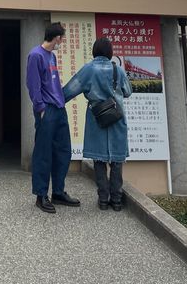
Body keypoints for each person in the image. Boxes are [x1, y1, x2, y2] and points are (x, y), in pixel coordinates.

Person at [63, 37, 132, 210]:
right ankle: (116, 200)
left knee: (98, 160)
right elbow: (128, 92)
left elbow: (69, 91)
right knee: (117, 160)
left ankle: (103, 200)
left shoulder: (88, 69)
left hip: (97, 119)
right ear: (110, 52)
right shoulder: (118, 70)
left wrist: (52, 101)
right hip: (117, 118)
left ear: (94, 51)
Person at [26, 22, 80, 213]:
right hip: (46, 110)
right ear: (57, 37)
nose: (62, 42)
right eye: (62, 38)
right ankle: (41, 195)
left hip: (59, 108)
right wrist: (40, 108)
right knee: (43, 153)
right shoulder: (36, 55)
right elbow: (33, 84)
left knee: (63, 151)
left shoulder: (52, 56)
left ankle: (58, 191)